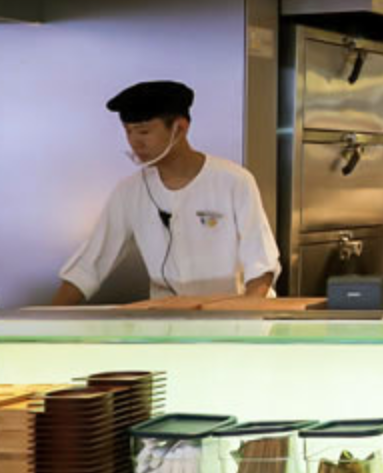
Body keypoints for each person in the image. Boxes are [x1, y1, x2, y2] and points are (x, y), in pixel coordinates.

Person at [51, 80, 279, 305]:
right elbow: (89, 266)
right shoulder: (129, 191)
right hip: (168, 317)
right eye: (128, 132)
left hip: (231, 312)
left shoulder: (234, 181)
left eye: (144, 131)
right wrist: (45, 318)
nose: (135, 143)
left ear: (179, 128)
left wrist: (246, 314)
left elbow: (261, 263)